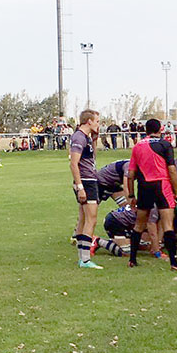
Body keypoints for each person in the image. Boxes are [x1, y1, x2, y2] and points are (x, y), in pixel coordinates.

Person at [127, 118, 177, 271]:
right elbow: (172, 170)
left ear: (146, 131)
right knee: (167, 225)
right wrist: (176, 192)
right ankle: (174, 262)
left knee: (139, 224)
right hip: (161, 185)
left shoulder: (137, 146)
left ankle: (132, 259)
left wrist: (131, 195)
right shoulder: (165, 144)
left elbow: (131, 174)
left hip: (144, 186)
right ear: (160, 129)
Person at [70, 109, 104, 269]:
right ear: (89, 121)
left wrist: (95, 140)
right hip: (86, 182)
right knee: (91, 219)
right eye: (97, 121)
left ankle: (83, 258)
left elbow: (92, 159)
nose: (98, 124)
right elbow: (73, 163)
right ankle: (84, 259)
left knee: (84, 219)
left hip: (90, 179)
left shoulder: (87, 138)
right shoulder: (78, 137)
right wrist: (80, 187)